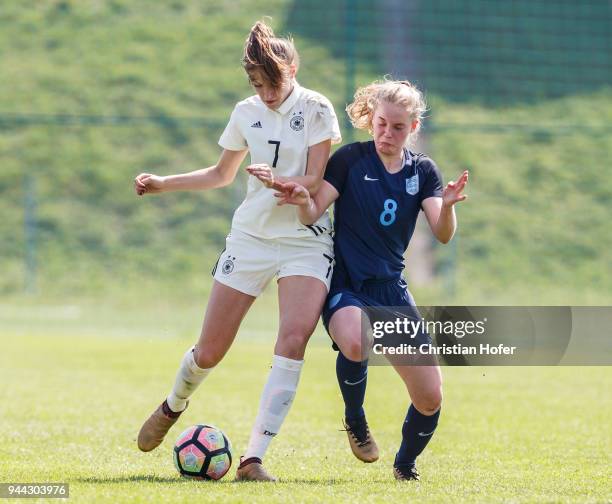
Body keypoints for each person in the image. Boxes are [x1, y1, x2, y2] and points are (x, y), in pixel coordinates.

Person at [133, 20, 341, 482]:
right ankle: (173, 405)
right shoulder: (245, 111)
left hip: (305, 240)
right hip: (251, 239)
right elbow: (222, 174)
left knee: (292, 341)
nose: (265, 94)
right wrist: (165, 183)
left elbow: (316, 177)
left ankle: (252, 459)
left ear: (291, 69)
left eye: (273, 83)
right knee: (210, 351)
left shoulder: (317, 108)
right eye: (256, 85)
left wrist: (284, 184)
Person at [269, 79, 468, 481]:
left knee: (430, 396)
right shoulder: (349, 161)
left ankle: (405, 465)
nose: (387, 134)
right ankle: (355, 417)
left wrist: (446, 206)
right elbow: (313, 213)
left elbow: (443, 233)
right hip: (347, 284)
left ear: (413, 128)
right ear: (371, 120)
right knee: (356, 339)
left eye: (397, 127)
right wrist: (304, 200)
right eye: (381, 123)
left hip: (390, 290)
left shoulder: (422, 171)